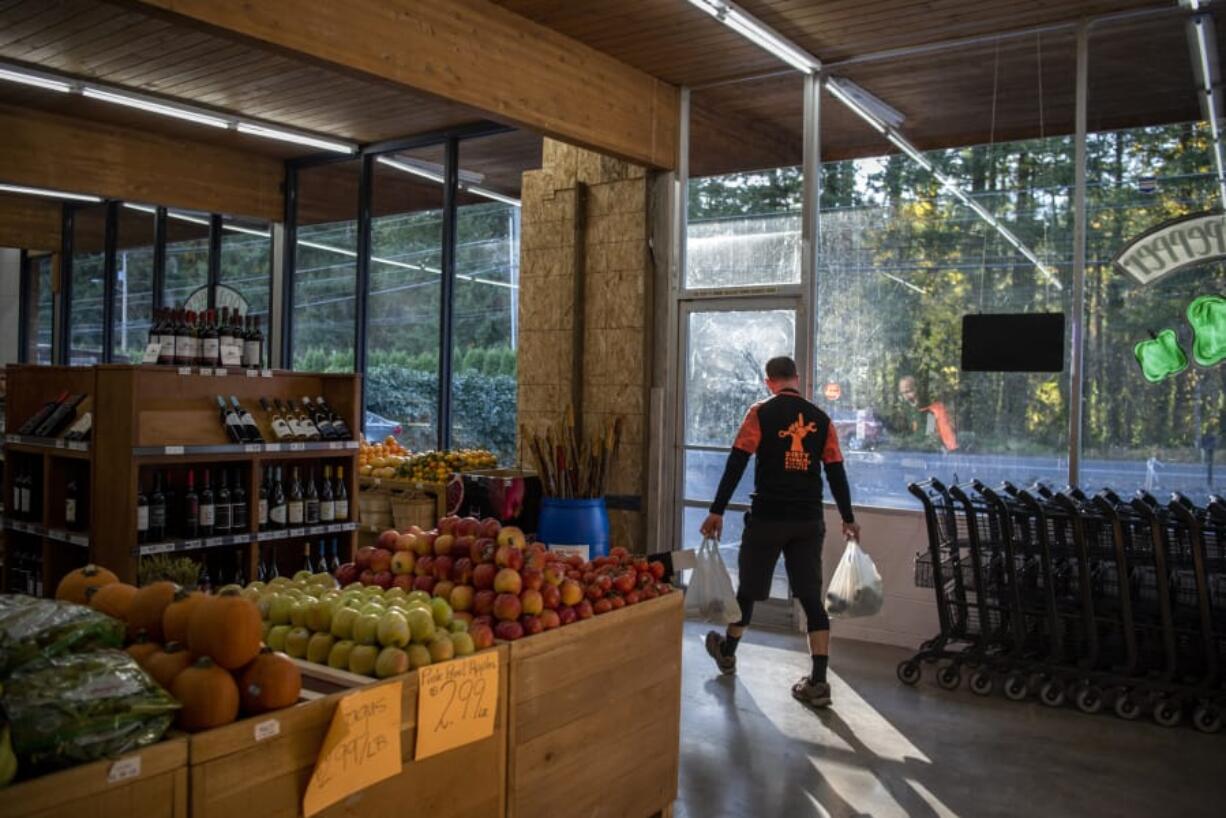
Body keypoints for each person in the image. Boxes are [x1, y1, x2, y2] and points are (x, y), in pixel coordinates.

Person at [700, 356, 859, 708]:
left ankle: (727, 652)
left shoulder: (760, 412)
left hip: (768, 518)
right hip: (807, 520)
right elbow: (835, 471)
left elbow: (737, 462)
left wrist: (717, 510)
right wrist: (848, 518)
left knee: (749, 592)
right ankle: (818, 682)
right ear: (797, 379)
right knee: (810, 597)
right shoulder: (821, 419)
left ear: (769, 381)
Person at [897, 375, 958, 452]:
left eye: (908, 391)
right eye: (902, 393)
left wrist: (908, 443)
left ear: (917, 389)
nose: (906, 397)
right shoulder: (908, 411)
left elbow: (930, 437)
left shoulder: (931, 411)